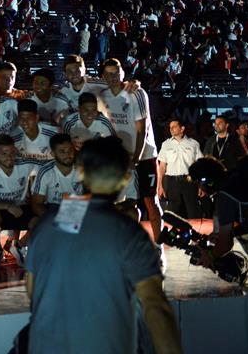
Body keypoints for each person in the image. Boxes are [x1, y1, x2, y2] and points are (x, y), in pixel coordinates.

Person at [24, 136, 182, 354]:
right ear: (125, 178)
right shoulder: (128, 233)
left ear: (80, 172)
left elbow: (32, 289)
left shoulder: (51, 221)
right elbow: (155, 307)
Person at [188, 155, 248, 353]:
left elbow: (225, 243)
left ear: (206, 181)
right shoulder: (239, 179)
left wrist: (210, 256)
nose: (200, 190)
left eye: (199, 184)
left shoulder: (226, 195)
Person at [98, 59, 160, 239]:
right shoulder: (101, 95)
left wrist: (136, 159)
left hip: (144, 156)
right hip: (119, 160)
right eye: (108, 74)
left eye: (116, 73)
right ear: (103, 76)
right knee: (124, 204)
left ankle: (158, 246)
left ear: (123, 73)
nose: (113, 77)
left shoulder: (136, 93)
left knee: (150, 201)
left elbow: (142, 129)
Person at [0, 134, 41, 268]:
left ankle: (20, 246)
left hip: (20, 208)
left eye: (11, 152)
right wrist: (7, 205)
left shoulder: (25, 164)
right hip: (0, 210)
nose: (9, 157)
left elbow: (49, 166)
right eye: (4, 153)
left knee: (43, 218)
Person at [156, 119, 203, 220]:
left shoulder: (193, 143)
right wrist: (159, 185)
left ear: (182, 128)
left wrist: (201, 185)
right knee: (173, 211)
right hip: (172, 181)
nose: (171, 129)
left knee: (192, 210)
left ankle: (194, 234)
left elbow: (199, 166)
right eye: (170, 127)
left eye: (174, 126)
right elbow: (162, 166)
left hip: (189, 180)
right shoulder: (166, 144)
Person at [29, 133, 82, 218]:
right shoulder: (45, 172)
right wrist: (51, 221)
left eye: (70, 150)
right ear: (53, 154)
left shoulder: (83, 169)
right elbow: (36, 204)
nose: (68, 155)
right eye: (62, 152)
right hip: (52, 210)